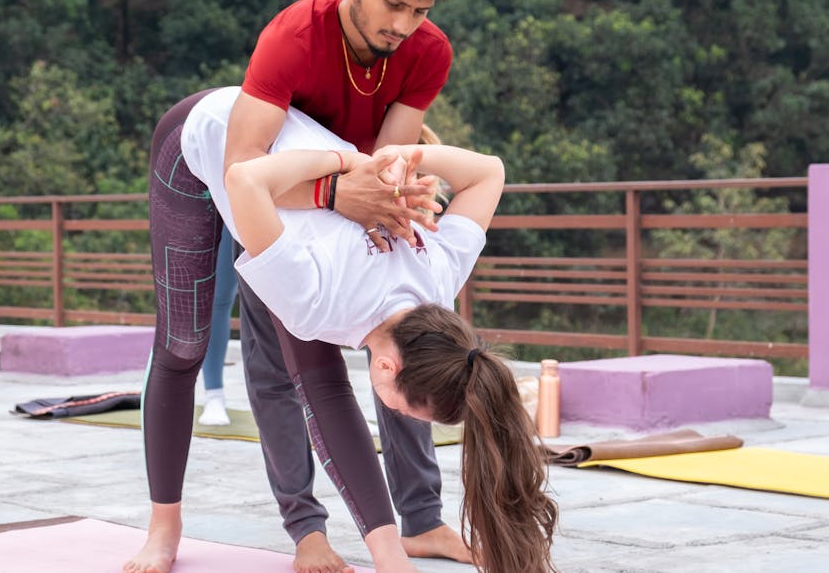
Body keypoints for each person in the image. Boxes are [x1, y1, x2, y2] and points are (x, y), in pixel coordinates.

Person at [129, 87, 556, 573]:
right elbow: (242, 176)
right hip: (205, 131)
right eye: (402, 408)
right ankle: (164, 529)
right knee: (183, 345)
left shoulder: (440, 277)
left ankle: (391, 553)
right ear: (390, 366)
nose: (397, 415)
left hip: (278, 181)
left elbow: (488, 172)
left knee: (318, 379)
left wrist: (396, 157)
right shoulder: (319, 297)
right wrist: (359, 162)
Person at [227, 0, 468, 570]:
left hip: (363, 205)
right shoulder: (293, 38)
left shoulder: (428, 50)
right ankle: (307, 530)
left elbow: (391, 160)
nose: (404, 25)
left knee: (415, 345)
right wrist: (335, 193)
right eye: (394, 4)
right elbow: (240, 172)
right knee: (279, 373)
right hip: (279, 210)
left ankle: (422, 521)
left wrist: (405, 193)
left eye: (420, 11)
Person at [197, 225, 237, 427]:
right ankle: (214, 394)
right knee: (218, 298)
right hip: (222, 203)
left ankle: (286, 394)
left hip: (277, 201)